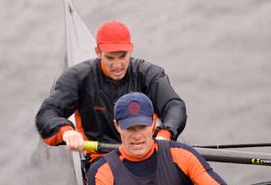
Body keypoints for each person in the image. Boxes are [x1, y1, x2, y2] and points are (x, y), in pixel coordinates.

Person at [35, 20, 187, 164]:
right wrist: (66, 132)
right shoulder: (77, 78)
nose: (117, 65)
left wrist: (165, 133)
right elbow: (47, 113)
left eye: (122, 57)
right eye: (110, 58)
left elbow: (174, 105)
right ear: (98, 52)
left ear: (130, 50)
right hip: (101, 157)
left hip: (144, 151)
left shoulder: (148, 74)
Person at [87, 92, 227, 185]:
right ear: (117, 126)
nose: (137, 136)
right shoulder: (103, 171)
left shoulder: (182, 155)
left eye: (142, 127)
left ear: (154, 122)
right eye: (130, 128)